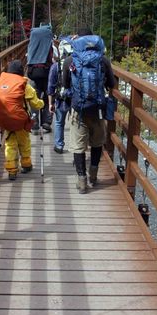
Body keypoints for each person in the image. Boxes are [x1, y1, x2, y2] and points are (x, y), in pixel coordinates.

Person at [62, 27, 116, 194]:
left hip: (78, 110)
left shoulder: (70, 61)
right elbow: (112, 84)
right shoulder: (103, 60)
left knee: (78, 146)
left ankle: (82, 181)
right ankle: (93, 176)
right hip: (98, 109)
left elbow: (65, 85)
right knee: (97, 143)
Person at [0, 60, 44, 180]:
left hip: (4, 120)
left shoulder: (0, 82)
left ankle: (11, 169)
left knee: (10, 143)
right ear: (22, 71)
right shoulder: (24, 84)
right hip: (21, 121)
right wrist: (42, 103)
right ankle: (26, 164)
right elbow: (35, 104)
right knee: (24, 142)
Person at [26, 25, 54, 133]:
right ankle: (46, 121)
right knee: (48, 97)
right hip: (47, 74)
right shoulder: (50, 46)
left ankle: (34, 122)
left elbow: (27, 58)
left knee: (34, 98)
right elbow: (54, 58)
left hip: (33, 74)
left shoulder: (31, 46)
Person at [47, 39, 73, 154]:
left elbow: (50, 87)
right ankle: (78, 147)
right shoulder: (77, 65)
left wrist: (50, 104)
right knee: (77, 123)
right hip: (75, 99)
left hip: (60, 100)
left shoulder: (55, 67)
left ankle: (59, 145)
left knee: (59, 123)